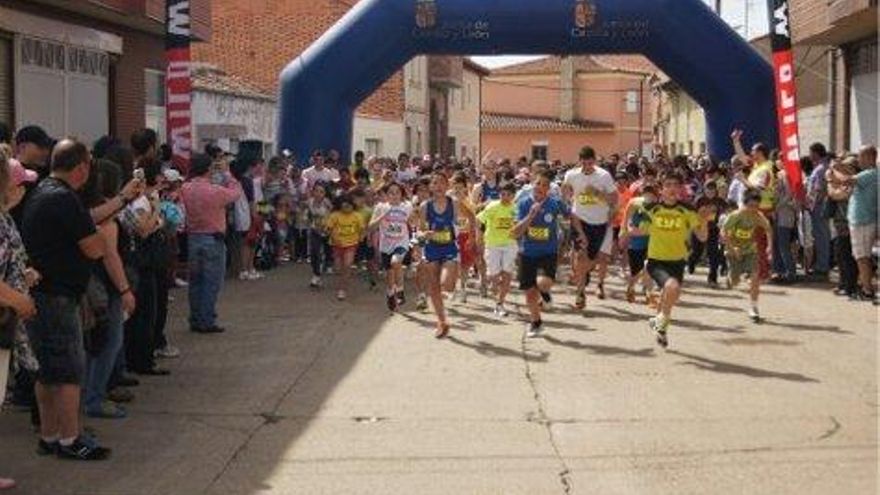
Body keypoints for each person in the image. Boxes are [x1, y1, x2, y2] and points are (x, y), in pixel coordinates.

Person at [22, 138, 111, 460]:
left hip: (38, 294)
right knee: (70, 371)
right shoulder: (65, 199)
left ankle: (49, 435)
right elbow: (95, 248)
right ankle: (71, 439)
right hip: (58, 297)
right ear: (81, 168)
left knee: (46, 372)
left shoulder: (40, 192)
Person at [633, 172, 712, 348]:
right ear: (661, 189)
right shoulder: (652, 209)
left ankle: (659, 323)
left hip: (677, 261)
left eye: (676, 185)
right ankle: (661, 324)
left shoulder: (687, 210)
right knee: (671, 287)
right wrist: (626, 230)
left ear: (681, 189)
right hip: (656, 260)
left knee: (671, 295)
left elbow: (702, 237)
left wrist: (704, 221)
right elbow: (640, 227)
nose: (672, 189)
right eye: (668, 185)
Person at [0, 151, 39, 488]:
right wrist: (18, 299)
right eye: (18, 183)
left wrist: (23, 275)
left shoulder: (6, 220)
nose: (23, 190)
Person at [514, 171, 585, 337]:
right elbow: (516, 232)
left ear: (548, 188)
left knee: (543, 283)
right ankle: (536, 323)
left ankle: (545, 294)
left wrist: (581, 233)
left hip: (548, 251)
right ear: (533, 184)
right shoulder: (524, 203)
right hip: (527, 252)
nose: (540, 187)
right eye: (538, 183)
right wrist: (531, 215)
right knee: (530, 293)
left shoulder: (554, 203)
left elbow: (571, 215)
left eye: (544, 185)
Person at [181, 153, 242, 333]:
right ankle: (207, 319)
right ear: (208, 169)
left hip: (193, 237)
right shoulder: (216, 191)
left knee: (195, 281)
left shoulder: (185, 188)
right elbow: (236, 193)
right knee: (211, 282)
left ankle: (195, 317)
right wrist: (227, 173)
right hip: (213, 239)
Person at [418, 172, 477, 338]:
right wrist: (424, 234)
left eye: (441, 183)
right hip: (431, 248)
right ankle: (442, 321)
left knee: (446, 285)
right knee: (434, 287)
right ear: (430, 187)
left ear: (447, 186)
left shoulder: (455, 203)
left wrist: (472, 237)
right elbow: (421, 230)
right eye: (435, 183)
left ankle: (451, 289)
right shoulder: (425, 206)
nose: (438, 186)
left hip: (450, 247)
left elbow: (471, 216)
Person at [562, 146, 618, 310]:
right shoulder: (572, 174)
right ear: (579, 161)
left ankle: (588, 275)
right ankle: (580, 293)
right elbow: (565, 189)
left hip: (599, 222)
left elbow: (614, 199)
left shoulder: (603, 176)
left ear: (594, 160)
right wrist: (567, 201)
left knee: (595, 259)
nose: (587, 166)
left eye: (590, 163)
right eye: (584, 163)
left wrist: (598, 194)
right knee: (580, 256)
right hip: (580, 220)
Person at [829, 145, 878, 301]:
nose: (859, 160)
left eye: (861, 156)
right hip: (860, 220)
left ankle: (867, 290)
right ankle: (865, 288)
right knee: (860, 256)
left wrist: (833, 170)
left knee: (862, 257)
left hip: (863, 221)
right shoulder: (867, 174)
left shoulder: (870, 173)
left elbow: (846, 180)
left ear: (869, 157)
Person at [721, 189, 773, 321]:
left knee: (755, 277)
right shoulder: (736, 215)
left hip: (750, 251)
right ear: (744, 204)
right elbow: (723, 232)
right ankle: (730, 277)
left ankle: (754, 307)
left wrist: (770, 246)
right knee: (735, 282)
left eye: (756, 206)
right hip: (733, 251)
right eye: (750, 206)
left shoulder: (758, 216)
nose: (753, 209)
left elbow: (768, 229)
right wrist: (732, 248)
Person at [369, 182, 414, 311]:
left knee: (396, 262)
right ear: (386, 195)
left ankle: (400, 290)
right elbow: (371, 227)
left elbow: (414, 222)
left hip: (401, 243)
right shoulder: (380, 207)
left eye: (397, 192)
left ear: (401, 194)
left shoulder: (407, 206)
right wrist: (382, 216)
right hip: (386, 245)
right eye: (391, 193)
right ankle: (390, 293)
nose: (394, 195)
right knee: (389, 273)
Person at [476, 182, 518, 317]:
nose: (505, 197)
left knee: (507, 273)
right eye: (502, 194)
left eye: (508, 195)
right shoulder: (492, 206)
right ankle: (495, 288)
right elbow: (479, 220)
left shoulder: (516, 208)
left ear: (513, 196)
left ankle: (500, 303)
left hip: (509, 244)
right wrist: (477, 237)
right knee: (493, 277)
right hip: (492, 244)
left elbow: (520, 225)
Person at [618, 184, 657, 304]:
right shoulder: (634, 204)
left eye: (651, 193)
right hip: (636, 242)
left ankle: (648, 293)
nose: (649, 195)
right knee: (636, 270)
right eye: (646, 192)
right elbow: (626, 220)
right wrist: (625, 233)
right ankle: (631, 287)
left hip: (652, 242)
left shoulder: (659, 207)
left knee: (648, 266)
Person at [325, 194, 366, 301]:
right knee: (338, 268)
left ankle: (342, 288)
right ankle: (343, 279)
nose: (347, 208)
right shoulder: (334, 216)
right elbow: (328, 229)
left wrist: (361, 237)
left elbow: (362, 229)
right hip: (336, 245)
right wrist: (331, 235)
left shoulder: (357, 216)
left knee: (347, 264)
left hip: (351, 244)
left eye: (349, 205)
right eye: (345, 206)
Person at [806, 142, 832, 278]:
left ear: (815, 153)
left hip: (819, 207)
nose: (809, 155)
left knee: (821, 237)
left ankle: (822, 268)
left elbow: (819, 191)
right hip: (818, 206)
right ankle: (821, 265)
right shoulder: (821, 167)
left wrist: (811, 205)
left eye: (810, 152)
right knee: (821, 236)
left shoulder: (821, 169)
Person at [307, 183, 333, 289]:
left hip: (327, 231)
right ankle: (316, 274)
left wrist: (329, 228)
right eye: (316, 191)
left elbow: (333, 215)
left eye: (321, 192)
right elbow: (309, 215)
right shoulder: (309, 202)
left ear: (325, 193)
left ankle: (328, 263)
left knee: (328, 250)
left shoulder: (327, 203)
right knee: (314, 251)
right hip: (315, 230)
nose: (318, 194)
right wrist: (311, 224)